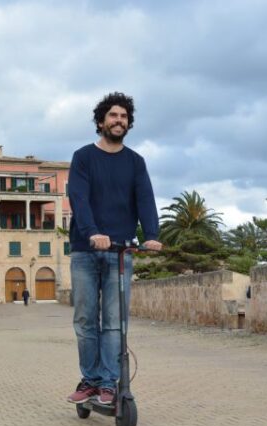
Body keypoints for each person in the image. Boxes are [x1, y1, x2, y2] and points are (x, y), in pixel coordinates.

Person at [66, 91, 163, 406]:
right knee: (84, 320)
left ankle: (108, 382)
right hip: (85, 250)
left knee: (114, 321)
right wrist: (93, 232)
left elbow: (145, 199)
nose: (119, 121)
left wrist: (151, 234)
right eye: (113, 116)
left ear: (128, 123)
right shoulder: (83, 157)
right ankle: (90, 379)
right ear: (100, 121)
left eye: (124, 117)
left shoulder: (135, 162)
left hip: (120, 252)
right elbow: (79, 199)